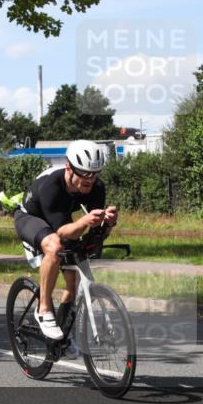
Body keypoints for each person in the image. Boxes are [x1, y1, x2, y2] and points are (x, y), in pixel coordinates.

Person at [12, 140, 118, 340]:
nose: (90, 180)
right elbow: (62, 232)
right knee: (54, 246)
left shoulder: (96, 186)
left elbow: (93, 233)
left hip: (60, 220)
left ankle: (61, 337)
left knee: (73, 279)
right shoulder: (52, 185)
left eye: (94, 175)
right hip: (31, 218)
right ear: (69, 167)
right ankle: (43, 309)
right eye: (85, 175)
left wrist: (108, 223)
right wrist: (86, 220)